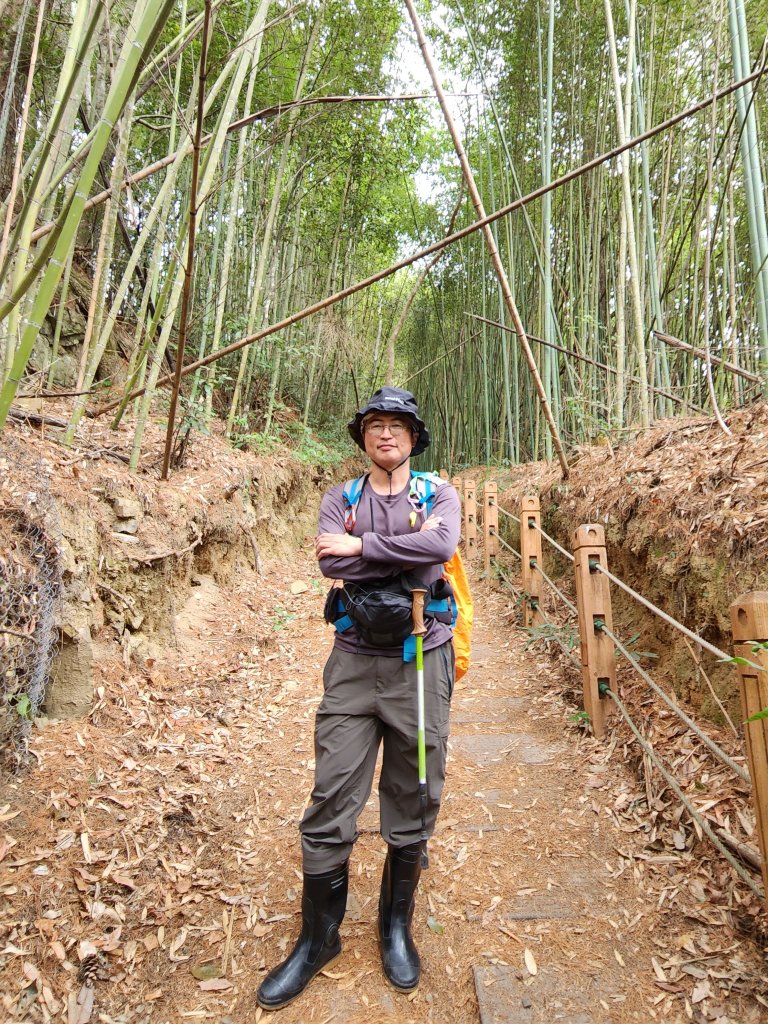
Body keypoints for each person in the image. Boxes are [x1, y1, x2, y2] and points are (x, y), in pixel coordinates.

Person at [257, 387, 461, 1010]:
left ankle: (394, 926)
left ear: (414, 438)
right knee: (332, 790)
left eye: (397, 425)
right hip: (351, 660)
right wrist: (395, 556)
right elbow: (330, 563)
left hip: (420, 659)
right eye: (375, 424)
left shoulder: (438, 495)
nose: (385, 433)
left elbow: (441, 549)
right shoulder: (339, 498)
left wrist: (363, 547)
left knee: (415, 786)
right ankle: (318, 938)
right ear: (364, 437)